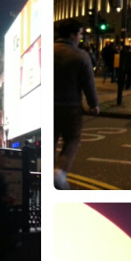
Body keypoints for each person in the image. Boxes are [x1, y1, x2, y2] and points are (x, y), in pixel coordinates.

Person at [54, 18, 99, 189]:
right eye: (80, 33)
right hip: (70, 106)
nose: (81, 37)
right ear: (72, 35)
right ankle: (59, 172)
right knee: (72, 139)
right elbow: (88, 84)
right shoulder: (80, 55)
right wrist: (94, 104)